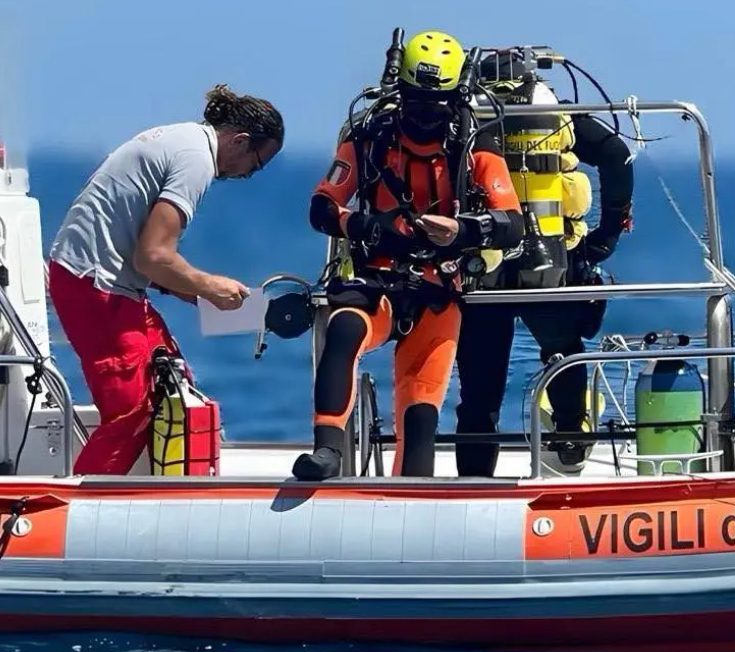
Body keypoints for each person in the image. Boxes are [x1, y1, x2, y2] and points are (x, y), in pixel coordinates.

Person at [294, 30, 523, 481]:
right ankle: (328, 452)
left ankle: (412, 492)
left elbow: (512, 222)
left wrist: (461, 230)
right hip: (375, 281)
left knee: (421, 412)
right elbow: (322, 206)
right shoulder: (369, 139)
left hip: (437, 288)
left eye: (433, 105)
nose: (423, 116)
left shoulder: (474, 147)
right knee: (341, 334)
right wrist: (359, 224)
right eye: (415, 102)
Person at [47, 85, 284, 475]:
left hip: (102, 278)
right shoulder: (197, 162)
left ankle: (156, 495)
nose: (245, 176)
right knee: (132, 412)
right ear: (241, 141)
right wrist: (209, 285)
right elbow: (154, 256)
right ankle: (82, 508)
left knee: (174, 384)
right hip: (94, 284)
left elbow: (145, 256)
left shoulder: (184, 139)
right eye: (253, 166)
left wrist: (208, 297)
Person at [454, 47, 634, 477]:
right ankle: (570, 437)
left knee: (479, 392)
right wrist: (606, 235)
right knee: (562, 353)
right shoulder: (557, 117)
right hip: (550, 260)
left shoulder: (465, 117)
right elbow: (615, 154)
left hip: (484, 268)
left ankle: (473, 482)